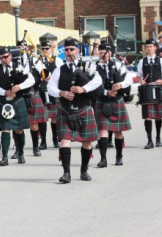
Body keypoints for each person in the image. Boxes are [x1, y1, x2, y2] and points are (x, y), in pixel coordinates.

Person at [47, 37, 102, 183]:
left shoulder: (88, 65)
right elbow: (50, 88)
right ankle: (66, 173)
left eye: (71, 49)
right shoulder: (59, 70)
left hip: (84, 108)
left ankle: (84, 170)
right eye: (66, 50)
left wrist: (83, 89)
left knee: (87, 141)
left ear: (77, 50)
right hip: (65, 109)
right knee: (65, 140)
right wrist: (61, 93)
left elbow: (98, 81)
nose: (69, 52)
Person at [0, 47, 35, 166]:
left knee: (19, 129)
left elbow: (31, 80)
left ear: (10, 55)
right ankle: (4, 156)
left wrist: (20, 86)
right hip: (3, 101)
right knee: (4, 128)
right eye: (0, 58)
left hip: (17, 101)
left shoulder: (19, 66)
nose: (3, 60)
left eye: (5, 57)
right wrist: (5, 92)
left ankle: (20, 153)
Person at [95, 44, 132, 167]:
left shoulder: (117, 65)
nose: (101, 55)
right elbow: (93, 84)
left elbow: (129, 79)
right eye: (99, 53)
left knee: (118, 132)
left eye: (103, 53)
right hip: (102, 100)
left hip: (116, 100)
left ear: (109, 54)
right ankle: (103, 159)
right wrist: (106, 92)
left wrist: (120, 85)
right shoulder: (95, 67)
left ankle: (119, 156)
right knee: (102, 131)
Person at [136, 38, 162, 149]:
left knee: (158, 117)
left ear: (155, 48)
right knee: (147, 116)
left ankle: (158, 139)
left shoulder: (160, 60)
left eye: (151, 46)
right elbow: (138, 75)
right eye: (147, 47)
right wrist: (141, 80)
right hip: (147, 91)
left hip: (158, 90)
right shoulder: (142, 61)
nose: (149, 49)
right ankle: (149, 140)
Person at [38, 40, 64, 149]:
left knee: (54, 117)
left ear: (51, 49)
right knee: (42, 118)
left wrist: (51, 78)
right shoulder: (37, 60)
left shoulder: (58, 61)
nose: (44, 51)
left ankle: (55, 139)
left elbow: (61, 75)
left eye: (46, 49)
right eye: (43, 48)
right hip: (41, 91)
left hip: (53, 91)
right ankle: (43, 141)